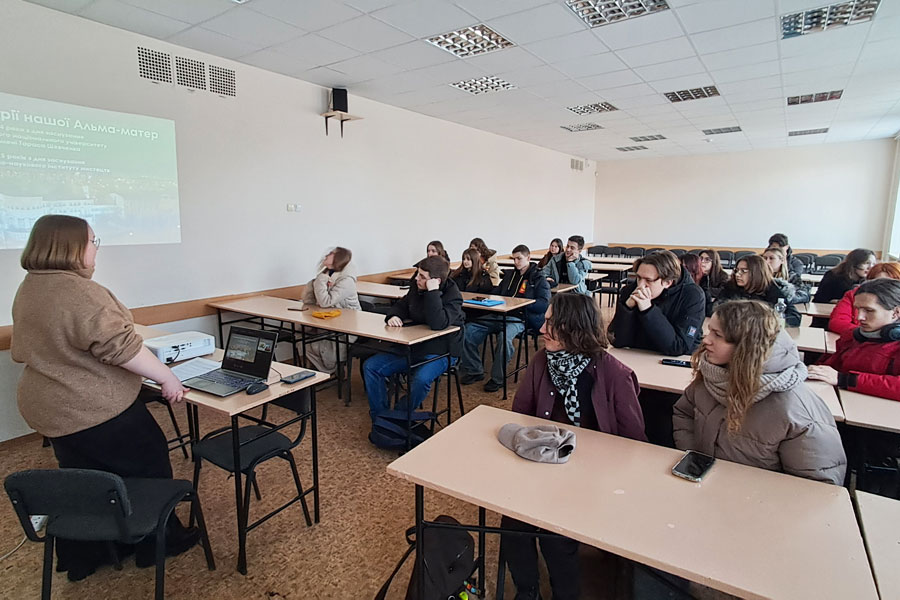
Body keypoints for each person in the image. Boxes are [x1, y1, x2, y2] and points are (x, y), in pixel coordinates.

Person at [10, 215, 199, 581]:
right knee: (149, 465)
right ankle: (155, 542)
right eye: (93, 241)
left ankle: (91, 550)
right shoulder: (79, 292)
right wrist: (167, 377)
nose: (96, 249)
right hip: (92, 409)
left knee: (85, 477)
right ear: (71, 247)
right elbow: (122, 349)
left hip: (51, 409)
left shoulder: (30, 285)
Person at [500, 293, 646, 600]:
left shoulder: (615, 375)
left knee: (554, 536)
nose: (542, 329)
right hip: (544, 464)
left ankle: (565, 595)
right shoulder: (542, 361)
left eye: (552, 323)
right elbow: (520, 416)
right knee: (511, 522)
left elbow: (635, 445)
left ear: (575, 328)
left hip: (593, 477)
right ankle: (527, 591)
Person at [674, 300, 847, 485]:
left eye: (717, 335)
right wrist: (694, 459)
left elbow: (818, 485)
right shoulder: (711, 376)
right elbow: (684, 413)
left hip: (759, 498)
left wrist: (751, 492)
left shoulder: (794, 409)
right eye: (709, 331)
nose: (706, 340)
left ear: (746, 346)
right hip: (706, 487)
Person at [363, 256, 464, 420]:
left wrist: (433, 293)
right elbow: (400, 306)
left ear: (436, 281)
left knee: (421, 379)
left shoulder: (453, 296)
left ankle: (398, 415)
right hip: (415, 346)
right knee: (371, 367)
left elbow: (438, 323)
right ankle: (381, 417)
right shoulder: (416, 289)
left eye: (422, 276)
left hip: (442, 351)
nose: (416, 278)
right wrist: (393, 316)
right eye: (418, 274)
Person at [460, 244, 551, 393]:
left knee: (504, 338)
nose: (516, 262)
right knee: (467, 330)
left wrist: (522, 304)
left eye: (519, 258)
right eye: (514, 259)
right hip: (498, 314)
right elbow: (496, 293)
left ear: (528, 258)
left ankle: (497, 378)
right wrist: (488, 298)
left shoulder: (538, 278)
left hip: (519, 318)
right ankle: (475, 369)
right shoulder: (509, 276)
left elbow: (544, 304)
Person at [810, 279, 900, 402]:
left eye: (869, 310)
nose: (859, 317)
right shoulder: (852, 337)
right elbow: (828, 368)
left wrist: (845, 379)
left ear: (896, 313)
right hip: (841, 400)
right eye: (857, 309)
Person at [608, 250, 705, 356]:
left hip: (676, 360)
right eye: (638, 278)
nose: (640, 285)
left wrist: (648, 310)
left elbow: (678, 346)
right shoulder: (630, 291)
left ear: (667, 282)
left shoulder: (693, 296)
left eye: (648, 280)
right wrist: (627, 309)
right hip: (638, 356)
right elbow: (616, 340)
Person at [301, 247, 361, 373]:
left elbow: (325, 302)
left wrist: (320, 280)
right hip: (330, 322)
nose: (326, 256)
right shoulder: (327, 274)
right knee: (302, 339)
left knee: (312, 344)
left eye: (331, 254)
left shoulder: (346, 280)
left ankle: (331, 372)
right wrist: (318, 281)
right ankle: (323, 372)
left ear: (338, 258)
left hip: (346, 328)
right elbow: (309, 301)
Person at [716, 255, 801, 327]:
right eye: (736, 270)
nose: (737, 274)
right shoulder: (730, 287)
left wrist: (764, 321)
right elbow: (713, 309)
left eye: (743, 271)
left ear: (756, 273)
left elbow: (795, 317)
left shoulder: (771, 289)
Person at [828, 262, 900, 336]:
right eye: (878, 283)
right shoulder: (855, 295)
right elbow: (837, 322)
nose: (860, 317)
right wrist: (865, 334)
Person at [698, 249, 729, 317]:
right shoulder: (698, 274)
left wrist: (706, 291)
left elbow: (722, 291)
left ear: (714, 262)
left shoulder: (723, 276)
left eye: (707, 260)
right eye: (701, 258)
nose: (702, 262)